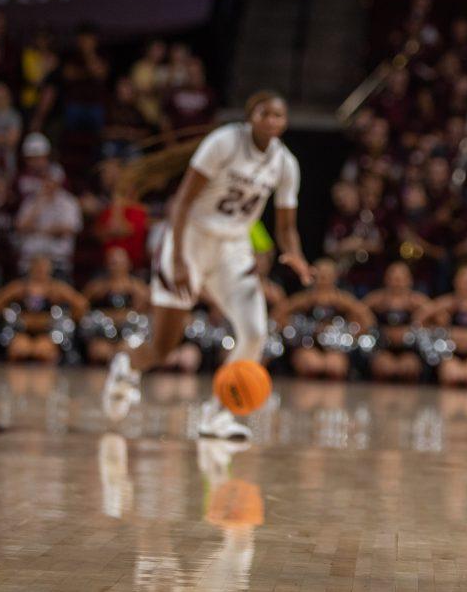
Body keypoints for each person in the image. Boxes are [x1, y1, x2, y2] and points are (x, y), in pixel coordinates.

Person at [102, 91, 311, 441]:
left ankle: (218, 414)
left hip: (233, 248)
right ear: (251, 116)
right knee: (164, 346)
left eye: (279, 116)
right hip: (192, 239)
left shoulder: (286, 164)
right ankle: (126, 368)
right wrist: (181, 258)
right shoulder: (224, 142)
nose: (272, 121)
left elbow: (287, 227)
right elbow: (181, 202)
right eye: (265, 114)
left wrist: (297, 256)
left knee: (255, 332)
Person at [274, 257, 376, 380]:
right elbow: (277, 314)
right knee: (310, 364)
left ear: (335, 277)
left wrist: (353, 334)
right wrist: (292, 327)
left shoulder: (343, 299)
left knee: (335, 367)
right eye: (319, 276)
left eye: (327, 276)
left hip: (335, 349)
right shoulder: (304, 298)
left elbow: (368, 319)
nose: (323, 280)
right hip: (307, 346)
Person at [0, 255, 88, 363]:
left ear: (50, 269)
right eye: (37, 267)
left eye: (43, 268)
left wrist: (64, 317)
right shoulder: (20, 287)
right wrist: (13, 315)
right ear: (30, 269)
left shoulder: (57, 288)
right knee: (18, 350)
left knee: (42, 352)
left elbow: (82, 305)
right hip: (23, 331)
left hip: (47, 333)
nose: (40, 270)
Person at [82, 247, 151, 365]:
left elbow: (148, 311)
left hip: (128, 335)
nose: (116, 267)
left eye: (119, 263)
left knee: (128, 350)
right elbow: (81, 307)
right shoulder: (97, 287)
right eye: (112, 263)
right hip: (103, 336)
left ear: (128, 264)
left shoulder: (138, 288)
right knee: (98, 351)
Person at [363, 261, 429, 383]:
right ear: (386, 280)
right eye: (393, 279)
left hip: (409, 350)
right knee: (384, 367)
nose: (397, 283)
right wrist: (369, 321)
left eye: (400, 279)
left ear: (409, 280)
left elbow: (441, 317)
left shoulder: (417, 301)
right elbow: (356, 311)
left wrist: (420, 317)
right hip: (384, 348)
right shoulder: (377, 299)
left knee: (408, 367)